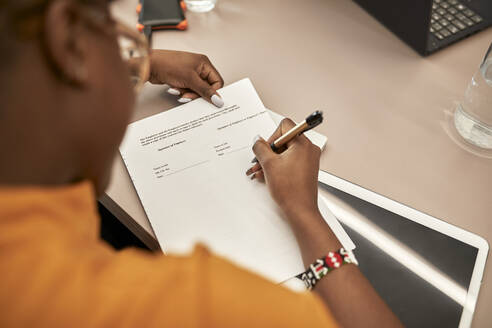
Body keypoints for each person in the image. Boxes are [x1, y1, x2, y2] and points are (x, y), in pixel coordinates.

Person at [0, 0, 403, 327]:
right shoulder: (204, 305)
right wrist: (304, 212)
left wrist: (144, 64)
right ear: (66, 42)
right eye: (108, 27)